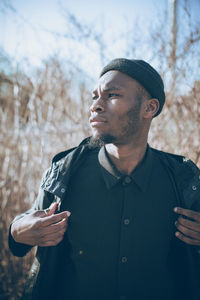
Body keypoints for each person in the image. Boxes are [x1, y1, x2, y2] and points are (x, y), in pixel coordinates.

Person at [9, 58, 200, 300]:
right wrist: (17, 231)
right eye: (94, 96)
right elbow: (22, 233)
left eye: (112, 95)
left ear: (149, 108)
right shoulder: (64, 173)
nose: (95, 106)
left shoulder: (184, 180)